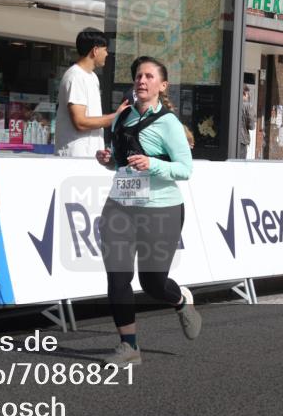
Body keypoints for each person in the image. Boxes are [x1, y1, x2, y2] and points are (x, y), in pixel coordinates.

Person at [95, 56, 199, 366]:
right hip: (121, 205)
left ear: (161, 85)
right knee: (117, 275)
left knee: (152, 283)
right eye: (139, 76)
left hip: (161, 209)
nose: (142, 80)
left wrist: (152, 163)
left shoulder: (168, 123)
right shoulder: (121, 117)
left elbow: (185, 169)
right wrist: (108, 159)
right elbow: (119, 158)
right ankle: (129, 347)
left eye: (149, 76)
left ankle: (180, 300)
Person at [54, 28, 128, 157]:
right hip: (75, 156)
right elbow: (80, 122)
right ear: (95, 50)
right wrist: (116, 117)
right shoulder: (75, 77)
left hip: (91, 154)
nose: (107, 54)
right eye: (105, 49)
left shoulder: (92, 77)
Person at [238, 84, 256, 159]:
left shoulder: (231, 103)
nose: (248, 96)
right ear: (244, 93)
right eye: (248, 94)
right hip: (242, 141)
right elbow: (252, 126)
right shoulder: (248, 106)